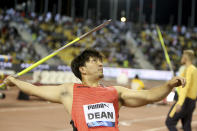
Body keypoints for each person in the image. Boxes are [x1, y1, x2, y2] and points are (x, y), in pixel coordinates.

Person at [4, 49, 185, 131]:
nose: (100, 63)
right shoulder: (70, 91)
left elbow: (148, 96)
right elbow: (34, 90)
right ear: (82, 69)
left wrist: (168, 85)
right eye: (94, 61)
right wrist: (14, 80)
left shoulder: (115, 92)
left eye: (100, 60)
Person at [165, 50, 197, 131]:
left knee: (169, 122)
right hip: (191, 101)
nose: (181, 58)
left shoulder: (189, 70)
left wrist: (180, 103)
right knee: (186, 125)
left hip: (184, 101)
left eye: (182, 56)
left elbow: (185, 87)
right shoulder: (193, 69)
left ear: (185, 58)